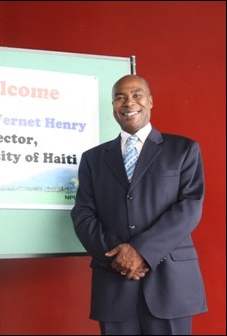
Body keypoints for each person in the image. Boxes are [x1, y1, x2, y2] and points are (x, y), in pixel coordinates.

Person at [70, 74, 207, 335]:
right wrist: (119, 256)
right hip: (114, 280)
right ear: (113, 106)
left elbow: (189, 207)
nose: (128, 102)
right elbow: (83, 214)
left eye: (136, 94)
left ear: (150, 101)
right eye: (119, 97)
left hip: (170, 283)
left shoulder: (183, 149)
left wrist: (141, 251)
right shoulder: (93, 159)